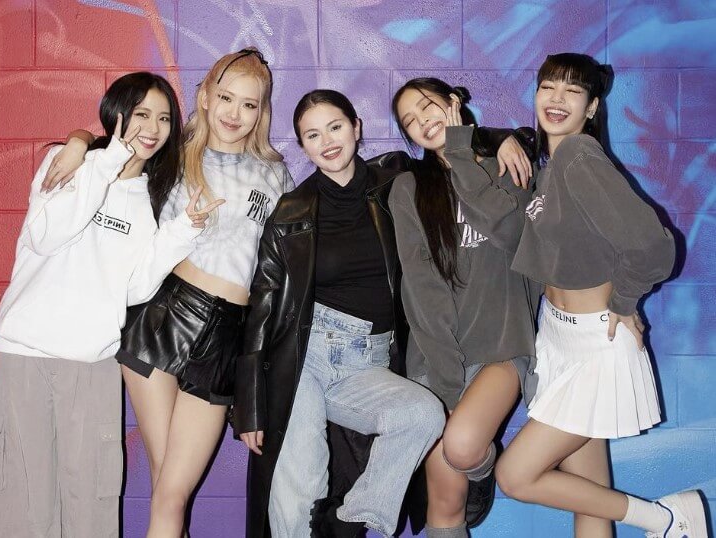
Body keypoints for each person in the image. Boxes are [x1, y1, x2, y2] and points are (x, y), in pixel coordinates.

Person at [41, 49, 294, 538]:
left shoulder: (276, 174)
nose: (234, 113)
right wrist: (76, 141)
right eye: (225, 98)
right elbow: (111, 145)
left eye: (249, 104)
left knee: (170, 488)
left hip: (226, 337)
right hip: (162, 318)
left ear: (262, 111)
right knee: (170, 492)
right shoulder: (173, 154)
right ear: (205, 96)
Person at [0, 72, 215, 538]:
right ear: (117, 114)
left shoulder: (146, 201)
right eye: (142, 114)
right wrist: (97, 155)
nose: (153, 128)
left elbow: (133, 289)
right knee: (22, 507)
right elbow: (47, 236)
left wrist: (182, 231)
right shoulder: (69, 163)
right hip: (26, 354)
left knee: (91, 506)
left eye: (164, 119)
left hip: (94, 364)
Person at [494, 53, 707, 538]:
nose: (557, 99)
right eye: (548, 87)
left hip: (594, 345)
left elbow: (654, 247)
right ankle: (668, 521)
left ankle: (668, 519)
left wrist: (625, 300)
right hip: (560, 339)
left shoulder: (578, 155)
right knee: (589, 495)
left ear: (591, 107)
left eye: (572, 91)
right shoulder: (552, 164)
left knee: (516, 475)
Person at [233, 89, 448, 538]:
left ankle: (348, 519)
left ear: (356, 127)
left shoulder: (395, 183)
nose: (327, 141)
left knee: (423, 415)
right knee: (299, 486)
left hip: (368, 361)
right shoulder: (289, 212)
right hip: (304, 359)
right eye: (312, 135)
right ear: (303, 146)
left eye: (335, 127)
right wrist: (249, 404)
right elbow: (262, 310)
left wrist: (504, 140)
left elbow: (448, 151)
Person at [390, 77, 540, 538]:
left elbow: (513, 235)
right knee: (445, 503)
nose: (422, 122)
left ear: (454, 103)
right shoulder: (408, 188)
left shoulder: (507, 164)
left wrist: (462, 152)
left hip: (501, 346)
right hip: (438, 355)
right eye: (409, 121)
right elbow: (421, 289)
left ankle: (478, 463)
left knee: (461, 445)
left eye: (428, 106)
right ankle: (476, 466)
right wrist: (446, 379)